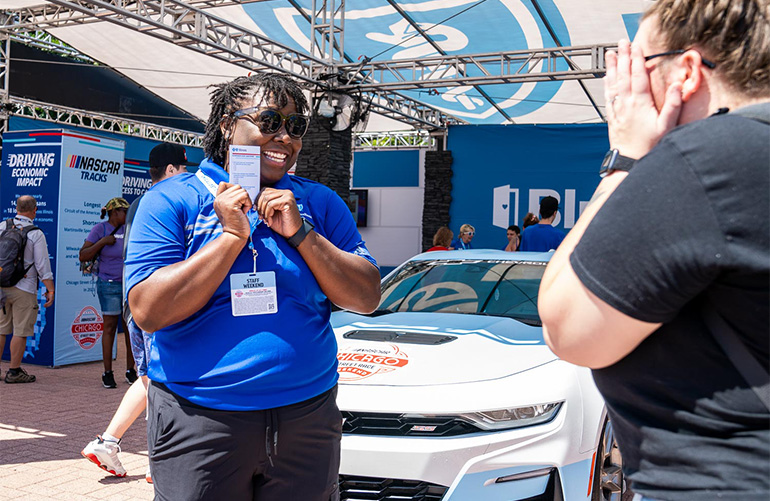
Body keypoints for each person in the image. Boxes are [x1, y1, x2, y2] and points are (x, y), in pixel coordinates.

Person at [539, 1, 769, 500]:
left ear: (686, 71)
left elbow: (568, 327)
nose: (625, 89)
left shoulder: (707, 158)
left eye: (638, 67)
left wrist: (625, 156)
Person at [125, 73, 381, 501]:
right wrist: (230, 237)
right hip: (201, 419)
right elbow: (149, 311)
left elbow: (366, 297)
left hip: (308, 417)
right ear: (227, 124)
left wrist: (301, 235)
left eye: (295, 126)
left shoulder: (317, 202)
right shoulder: (173, 200)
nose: (284, 137)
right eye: (269, 121)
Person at [81, 142, 192, 480]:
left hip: (138, 301)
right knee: (163, 379)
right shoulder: (170, 200)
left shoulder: (141, 204)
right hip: (160, 303)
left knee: (148, 376)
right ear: (172, 170)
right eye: (184, 170)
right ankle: (158, 459)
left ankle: (109, 442)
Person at [79, 197, 135, 389]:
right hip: (108, 285)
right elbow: (83, 254)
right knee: (110, 328)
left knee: (130, 329)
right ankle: (107, 373)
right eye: (124, 211)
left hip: (128, 285)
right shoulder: (100, 229)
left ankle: (131, 370)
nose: (127, 215)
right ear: (114, 213)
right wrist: (103, 242)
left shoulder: (129, 229)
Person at [0, 196, 54, 383]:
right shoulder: (35, 233)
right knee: (20, 331)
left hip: (1, 285)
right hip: (25, 287)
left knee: (1, 329)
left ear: (16, 208)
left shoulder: (2, 226)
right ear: (34, 210)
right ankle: (14, 372)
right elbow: (42, 265)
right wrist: (50, 289)